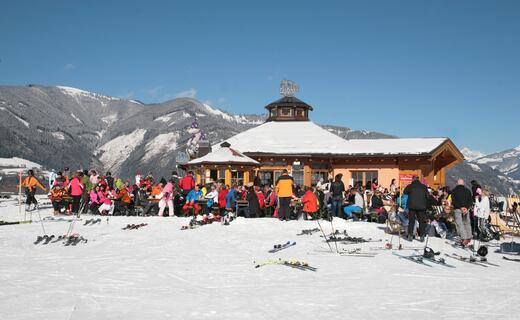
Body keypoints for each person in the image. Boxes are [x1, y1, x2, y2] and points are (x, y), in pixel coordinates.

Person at [403, 176, 429, 241]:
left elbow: (405, 192)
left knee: (411, 221)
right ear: (418, 180)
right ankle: (422, 236)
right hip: (421, 207)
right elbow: (427, 196)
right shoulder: (424, 187)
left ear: (413, 180)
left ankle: (410, 235)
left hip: (412, 206)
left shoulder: (410, 186)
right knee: (421, 222)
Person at [451, 179, 473, 246]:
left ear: (457, 183)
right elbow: (470, 201)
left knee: (460, 224)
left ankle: (464, 238)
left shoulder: (454, 191)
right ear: (463, 183)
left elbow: (454, 201)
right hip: (466, 210)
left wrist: (460, 207)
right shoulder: (468, 191)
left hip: (458, 209)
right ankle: (469, 236)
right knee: (467, 223)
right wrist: (466, 207)